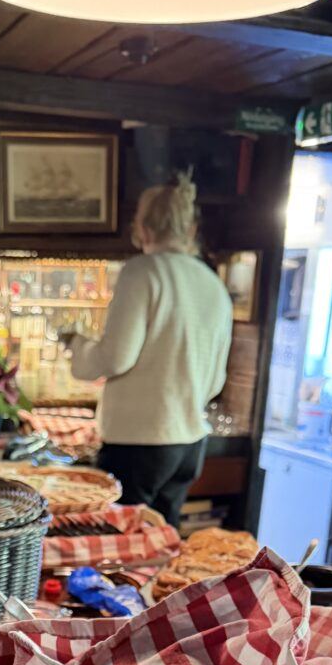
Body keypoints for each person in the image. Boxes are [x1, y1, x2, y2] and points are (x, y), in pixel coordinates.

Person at [63, 174, 233, 528]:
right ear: (190, 229)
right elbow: (216, 381)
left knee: (121, 541)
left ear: (142, 228)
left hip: (140, 442)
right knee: (161, 540)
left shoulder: (142, 272)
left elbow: (115, 357)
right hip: (189, 443)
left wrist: (76, 344)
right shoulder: (212, 283)